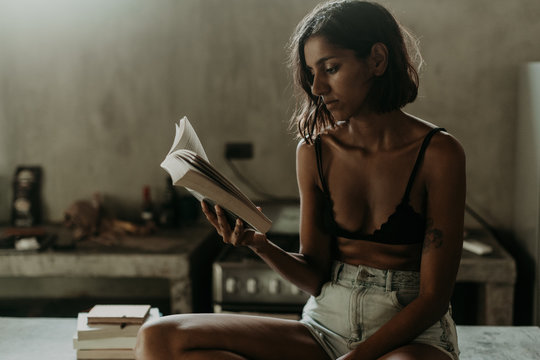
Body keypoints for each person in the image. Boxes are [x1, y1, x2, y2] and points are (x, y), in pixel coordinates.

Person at [135, 1, 465, 359]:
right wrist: (257, 243)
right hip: (325, 328)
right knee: (158, 337)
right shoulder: (315, 152)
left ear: (377, 60)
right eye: (311, 72)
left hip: (410, 338)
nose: (318, 86)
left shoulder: (439, 153)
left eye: (331, 68)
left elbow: (433, 298)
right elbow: (314, 274)